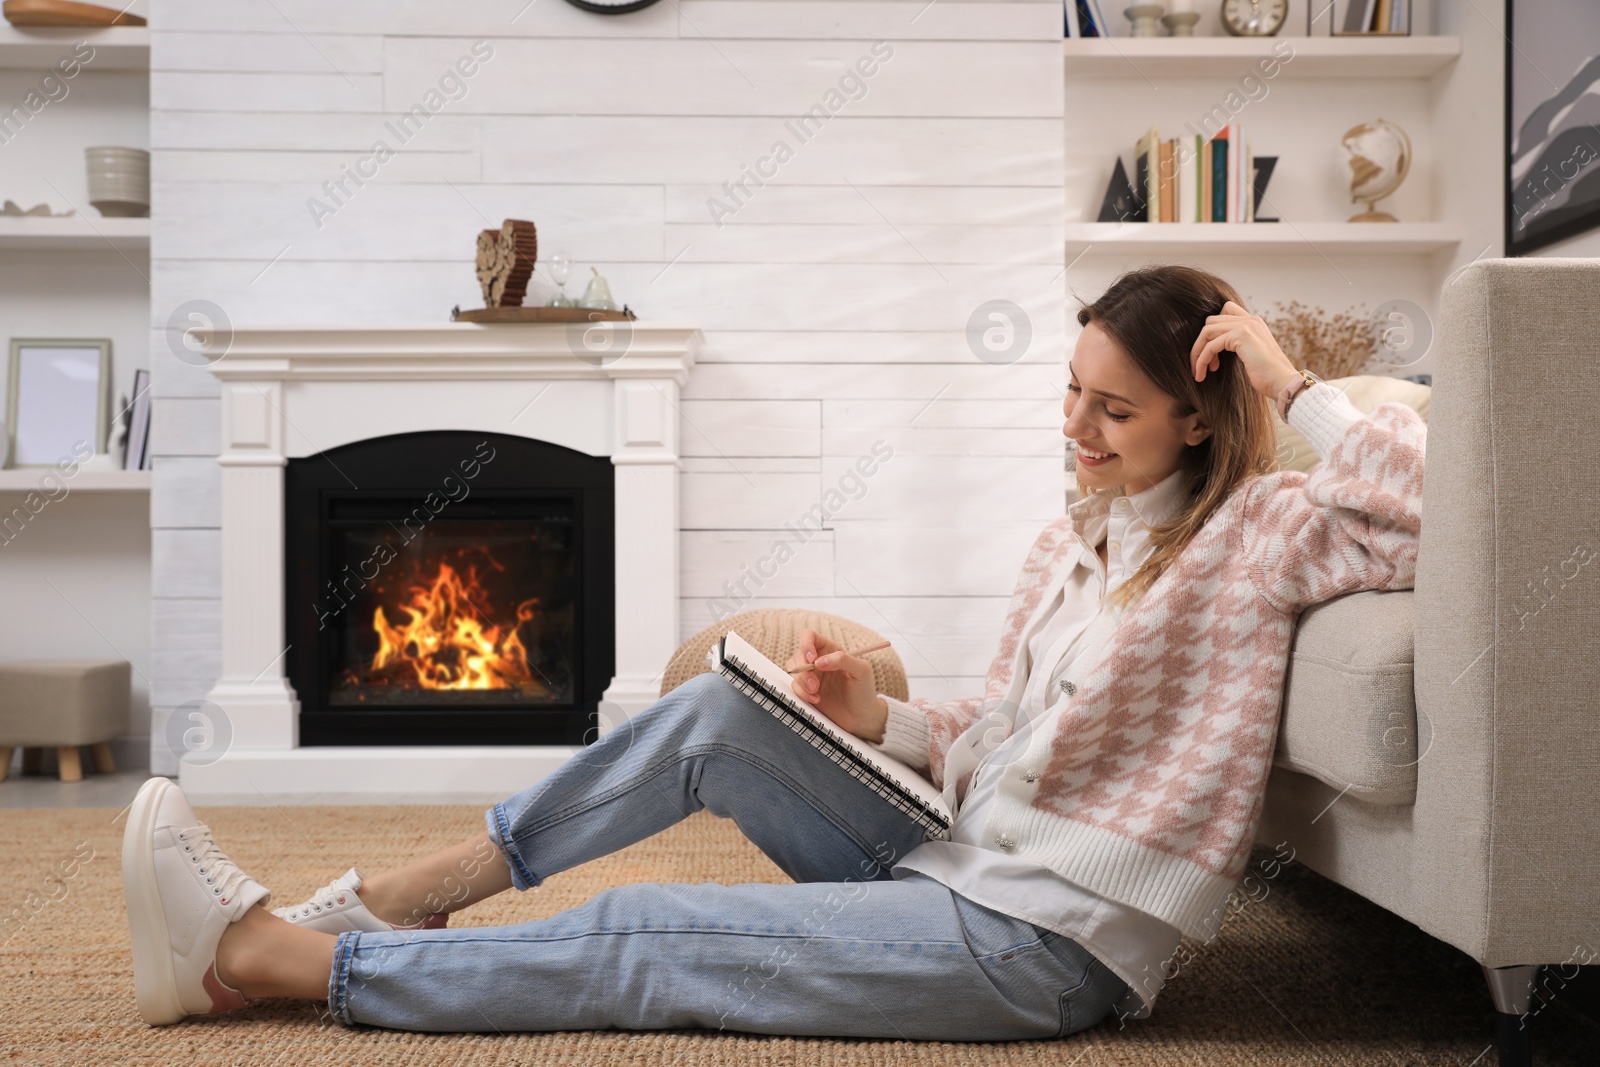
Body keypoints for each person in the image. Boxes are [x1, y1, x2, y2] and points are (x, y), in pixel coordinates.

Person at [121, 264, 1427, 1039]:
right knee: (717, 717)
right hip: (951, 853)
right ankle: (416, 887)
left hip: (1043, 945)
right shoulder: (1078, 537)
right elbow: (994, 727)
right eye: (1069, 394)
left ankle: (281, 961)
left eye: (1115, 408)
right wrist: (881, 722)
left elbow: (1437, 509)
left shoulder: (1264, 533)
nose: (1076, 428)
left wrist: (1293, 384)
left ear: (1202, 415)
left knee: (647, 934)